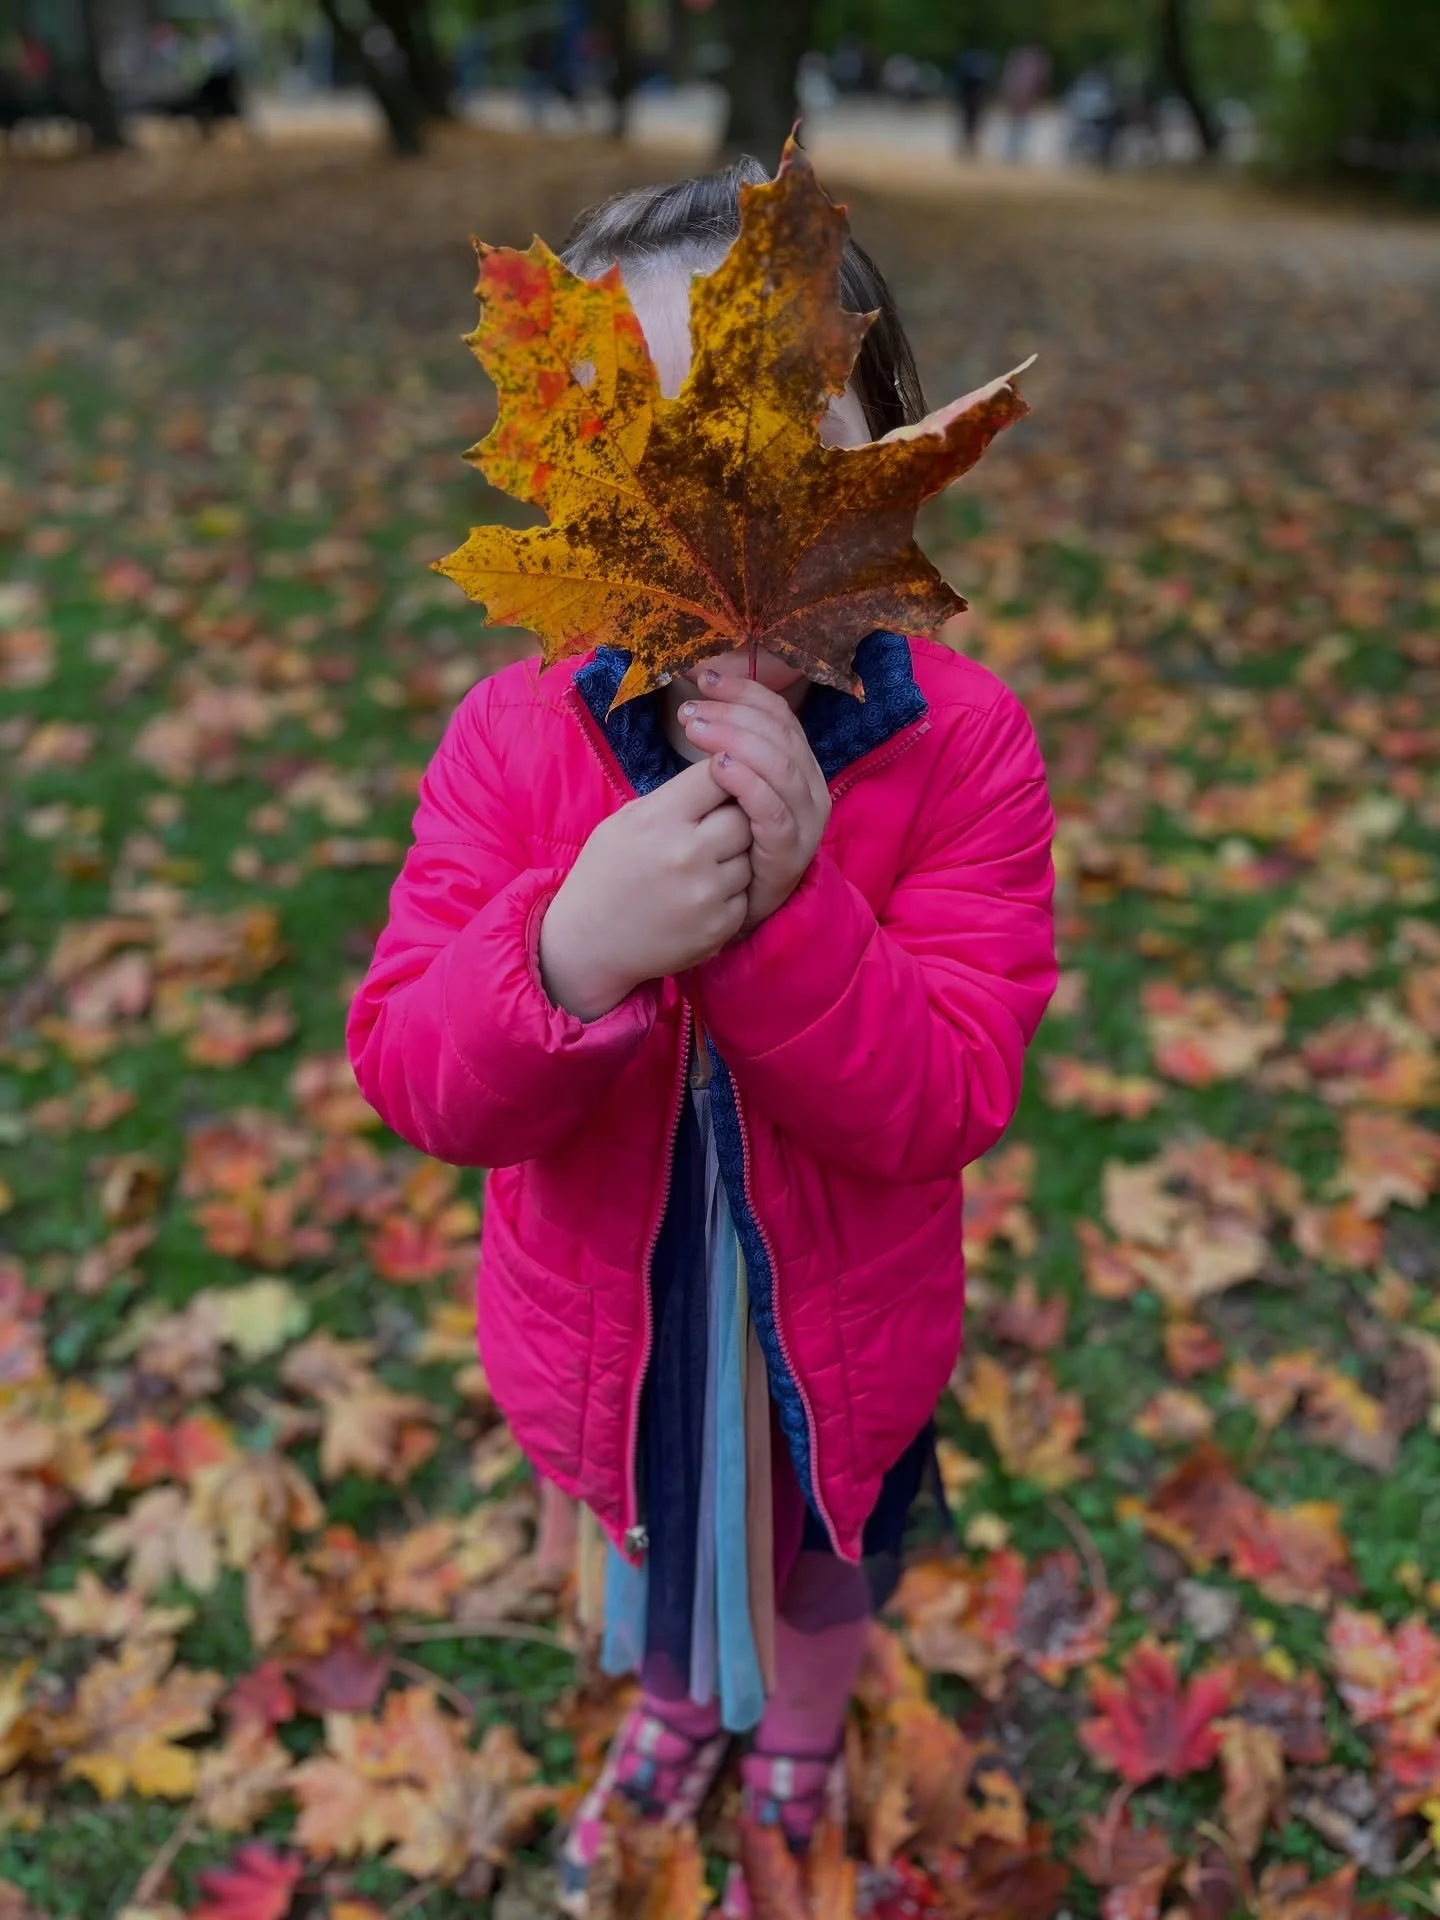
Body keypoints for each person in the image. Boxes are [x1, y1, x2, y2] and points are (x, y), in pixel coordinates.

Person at [347, 156, 1056, 1917]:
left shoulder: (962, 750)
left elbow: (951, 1090)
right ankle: (673, 1711)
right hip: (615, 1322)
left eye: (779, 431)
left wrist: (792, 911)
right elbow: (413, 1066)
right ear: (571, 480)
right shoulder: (516, 746)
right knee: (662, 1544)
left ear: (891, 446)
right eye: (652, 437)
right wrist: (570, 954)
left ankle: (799, 1748)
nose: (718, 492)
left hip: (846, 1331)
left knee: (825, 1562)